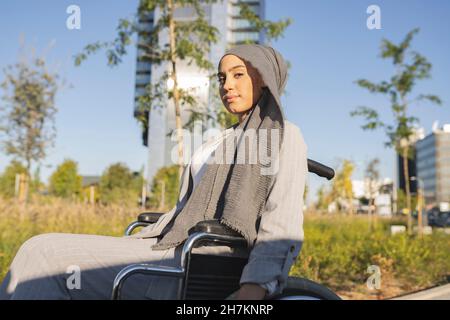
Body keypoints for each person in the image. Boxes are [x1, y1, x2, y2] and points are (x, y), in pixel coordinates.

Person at [0, 44, 308, 300]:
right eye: (221, 77)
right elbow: (185, 209)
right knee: (38, 247)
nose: (226, 85)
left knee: (45, 255)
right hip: (164, 244)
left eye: (238, 75)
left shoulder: (283, 135)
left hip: (197, 262)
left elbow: (282, 227)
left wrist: (253, 291)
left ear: (265, 77)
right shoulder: (218, 140)